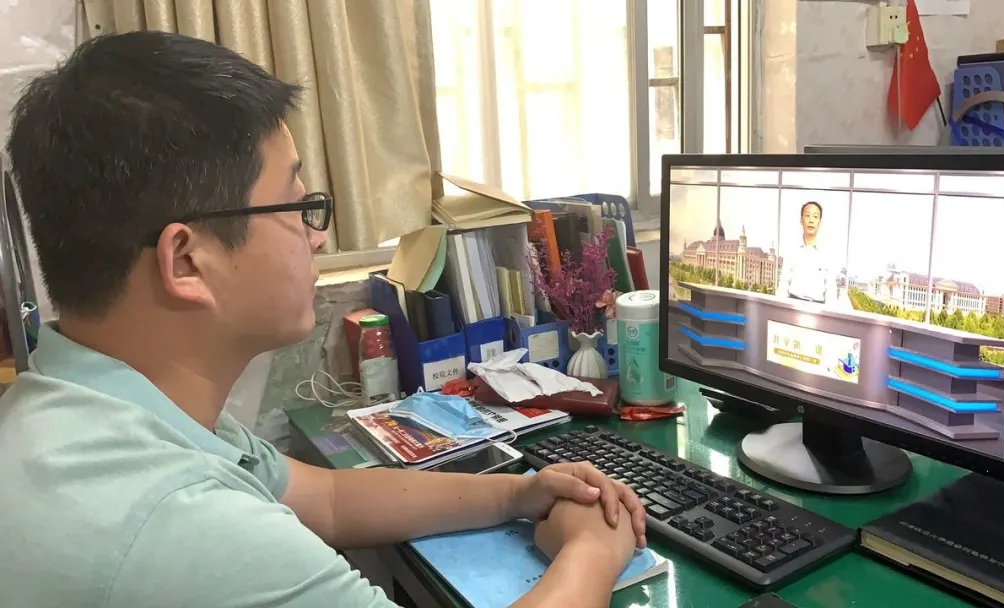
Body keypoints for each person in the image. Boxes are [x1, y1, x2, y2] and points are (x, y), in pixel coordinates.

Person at [0, 32, 644, 607]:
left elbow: (328, 501)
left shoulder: (93, 409)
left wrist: (517, 494)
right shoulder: (176, 521)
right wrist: (593, 550)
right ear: (187, 261)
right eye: (296, 206)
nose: (317, 236)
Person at [776, 201, 838, 306]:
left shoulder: (827, 253)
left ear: (820, 222)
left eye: (815, 217)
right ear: (801, 220)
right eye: (808, 216)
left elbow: (831, 290)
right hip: (792, 304)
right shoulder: (792, 249)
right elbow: (784, 283)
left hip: (817, 308)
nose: (811, 221)